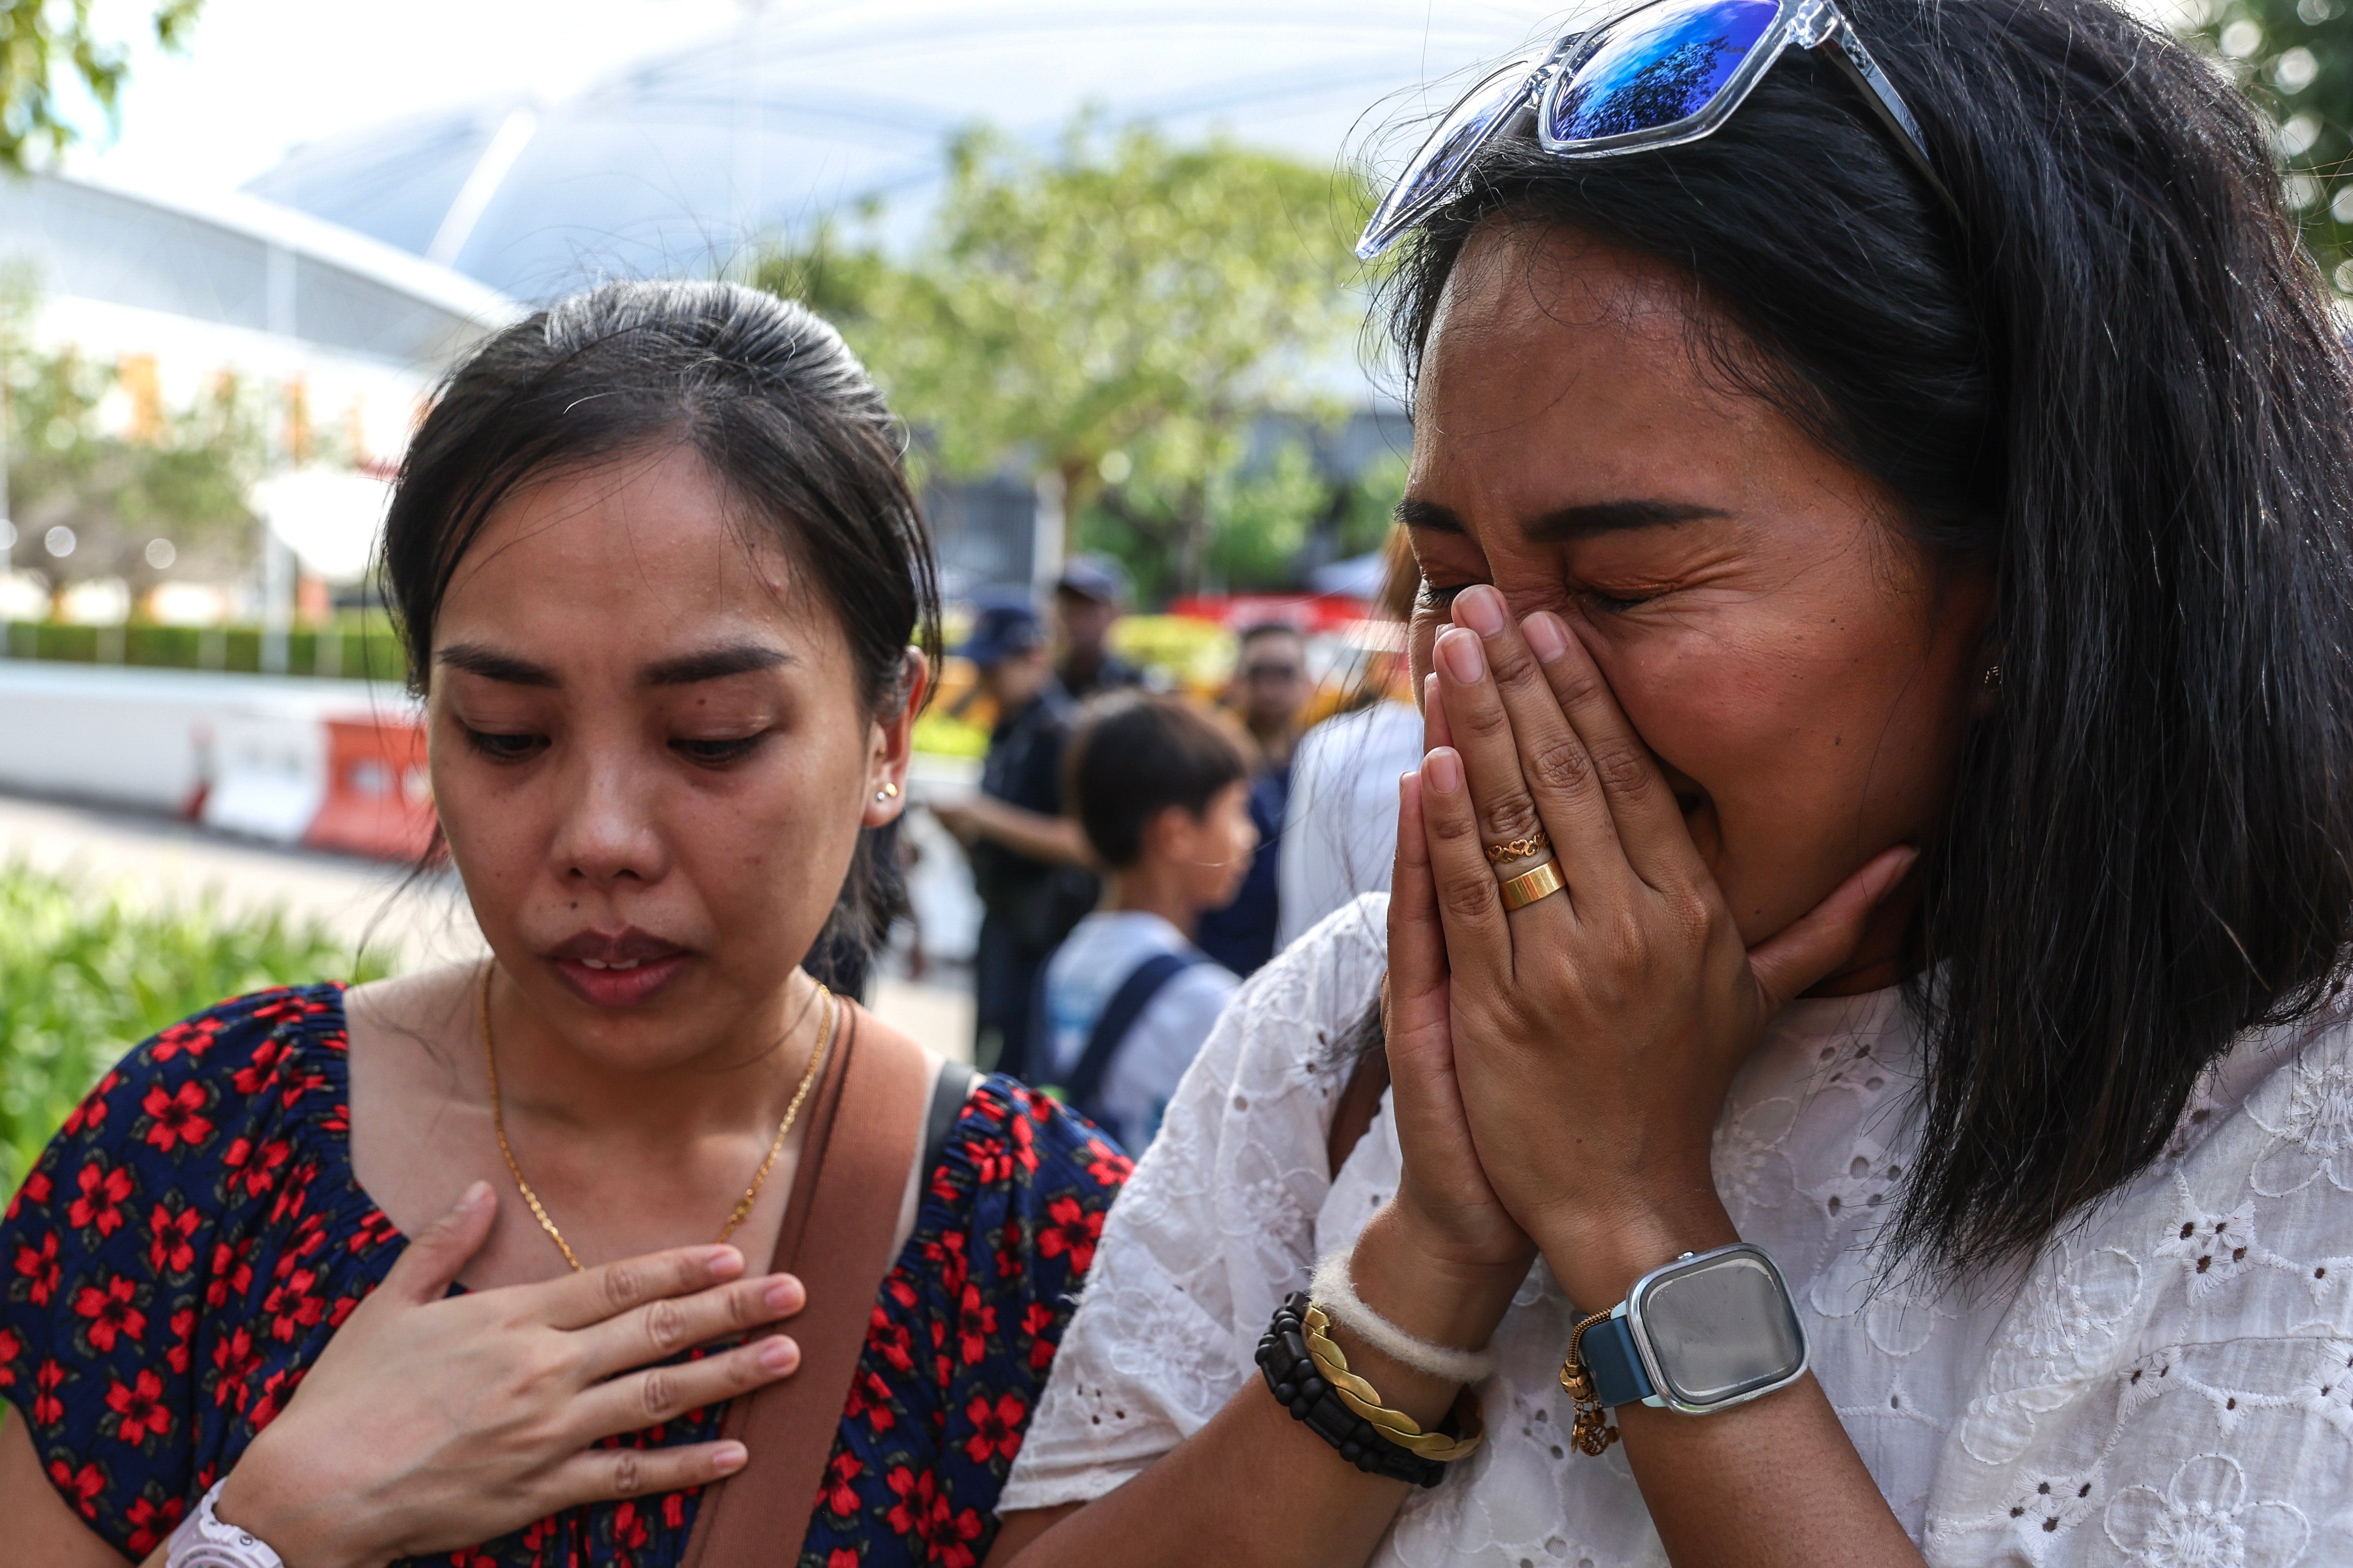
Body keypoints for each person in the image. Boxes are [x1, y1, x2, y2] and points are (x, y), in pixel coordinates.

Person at [985, 1, 2353, 1564]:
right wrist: (1428, 1253)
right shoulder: (1335, 1026)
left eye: (1620, 586)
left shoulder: (2287, 1113)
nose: (1479, 677)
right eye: (1444, 578)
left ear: (2028, 587)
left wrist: (1631, 1214)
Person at [0, 281, 1129, 1568]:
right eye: (508, 735)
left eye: (710, 738)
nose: (600, 835)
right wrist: (267, 1530)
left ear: (886, 734)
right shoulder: (199, 1154)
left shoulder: (1036, 1247)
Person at [1038, 694, 1258, 1151]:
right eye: (1237, 809)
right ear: (1175, 833)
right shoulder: (1206, 1001)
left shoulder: (1066, 960)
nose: (1250, 834)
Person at [931, 601, 1096, 1075]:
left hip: (1046, 934)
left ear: (1034, 658)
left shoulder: (1062, 733)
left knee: (1026, 1070)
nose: (985, 682)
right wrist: (965, 830)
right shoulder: (1007, 728)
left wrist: (982, 816)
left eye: (994, 669)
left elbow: (1083, 842)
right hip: (1003, 921)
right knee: (988, 1058)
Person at [1194, 622, 1310, 975]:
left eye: (1284, 673)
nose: (1270, 687)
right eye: (1258, 672)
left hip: (1298, 958)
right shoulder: (1208, 760)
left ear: (1306, 682)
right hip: (1221, 956)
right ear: (1236, 680)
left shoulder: (1323, 759)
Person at [1050, 555, 1145, 699]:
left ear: (1115, 612)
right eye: (1069, 607)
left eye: (1088, 609)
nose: (1077, 618)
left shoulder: (1136, 688)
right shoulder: (1041, 685)